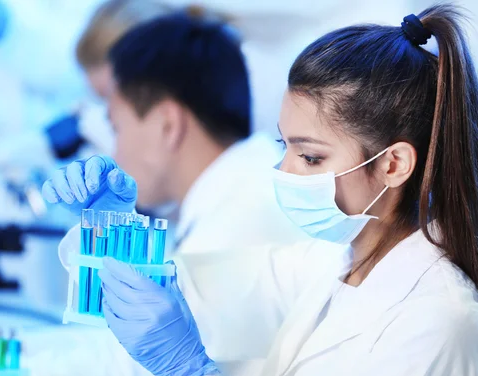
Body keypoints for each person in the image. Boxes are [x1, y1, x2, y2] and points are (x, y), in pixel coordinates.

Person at [66, 4, 478, 376]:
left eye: (310, 156)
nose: (284, 172)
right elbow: (189, 295)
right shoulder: (332, 263)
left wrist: (190, 375)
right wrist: (116, 232)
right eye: (286, 146)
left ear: (393, 165)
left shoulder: (439, 326)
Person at [43, 10, 306, 257]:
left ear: (167, 125)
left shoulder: (218, 246)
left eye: (116, 128)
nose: (115, 153)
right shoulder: (256, 190)